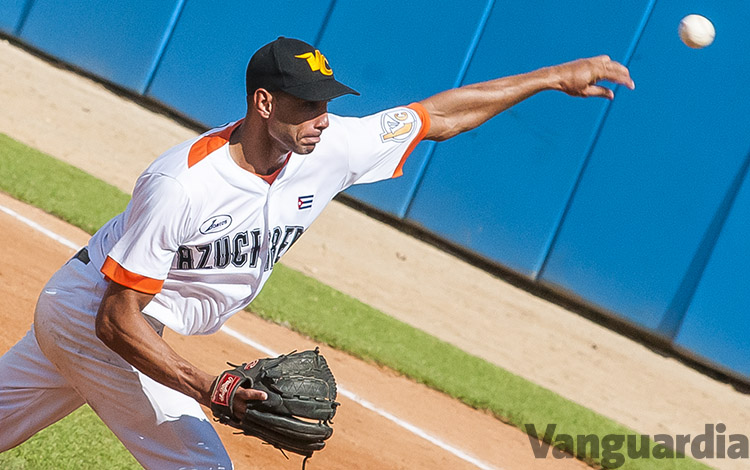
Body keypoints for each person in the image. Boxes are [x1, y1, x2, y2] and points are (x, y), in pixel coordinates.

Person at [0, 37, 634, 468]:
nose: (323, 119)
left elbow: (439, 116)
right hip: (96, 321)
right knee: (200, 464)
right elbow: (117, 318)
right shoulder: (183, 182)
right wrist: (209, 386)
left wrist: (551, 77)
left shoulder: (328, 147)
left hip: (104, 313)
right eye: (308, 105)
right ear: (264, 103)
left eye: (327, 103)